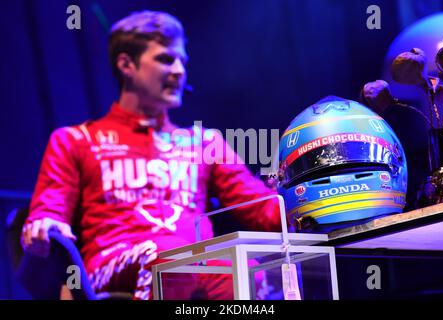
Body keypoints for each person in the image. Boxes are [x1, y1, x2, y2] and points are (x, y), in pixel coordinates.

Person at [21, 10, 280, 300]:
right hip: (112, 266)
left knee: (247, 269)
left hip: (194, 264)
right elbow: (49, 210)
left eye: (183, 61)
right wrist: (46, 224)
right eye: (166, 59)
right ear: (126, 64)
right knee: (165, 254)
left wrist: (308, 194)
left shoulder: (206, 142)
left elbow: (263, 210)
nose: (179, 70)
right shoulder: (76, 140)